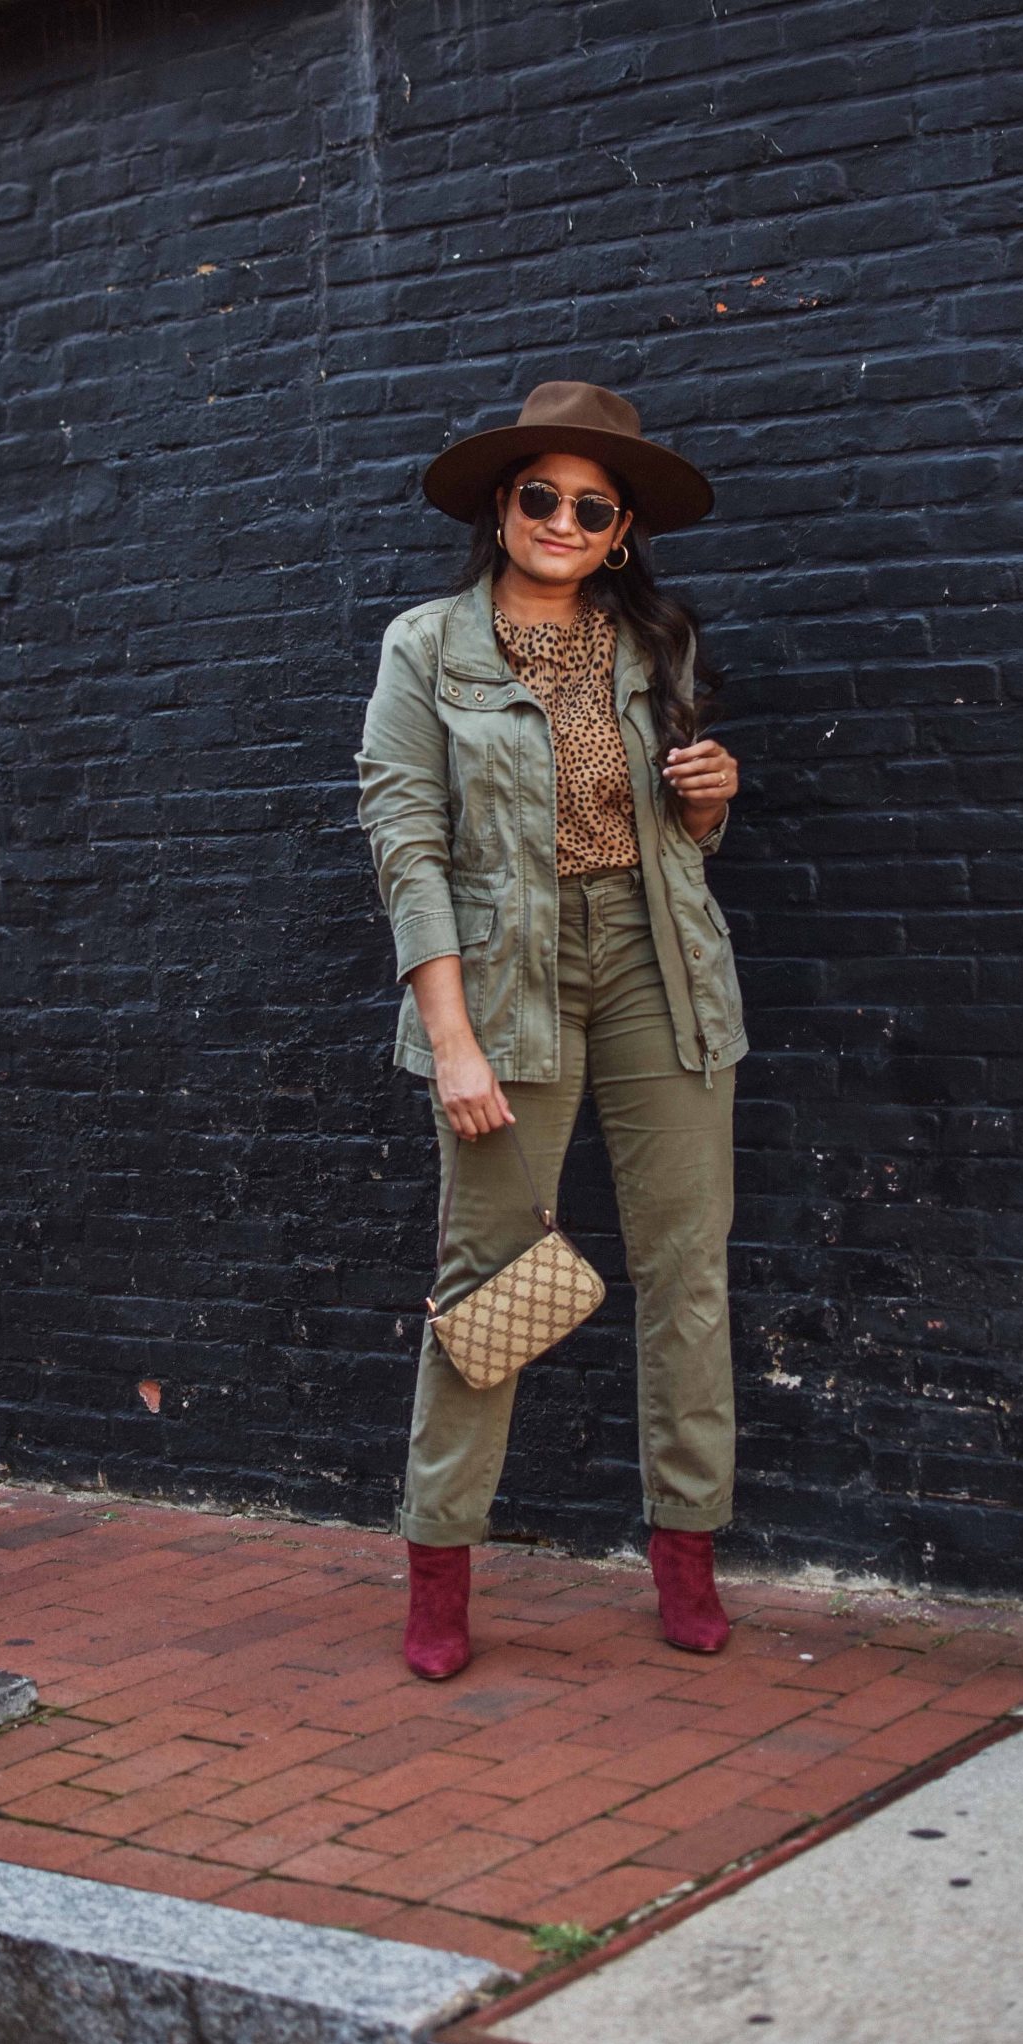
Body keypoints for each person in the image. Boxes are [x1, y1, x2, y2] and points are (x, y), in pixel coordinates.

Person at [354, 381, 748, 1681]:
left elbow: (674, 841)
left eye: (592, 505)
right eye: (541, 496)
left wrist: (710, 800)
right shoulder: (427, 647)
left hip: (662, 965)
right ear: (501, 505)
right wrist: (451, 1039)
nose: (563, 520)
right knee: (484, 1282)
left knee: (687, 1274)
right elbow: (407, 845)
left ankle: (686, 1550)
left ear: (621, 527)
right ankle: (439, 1568)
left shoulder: (655, 647)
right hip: (506, 980)